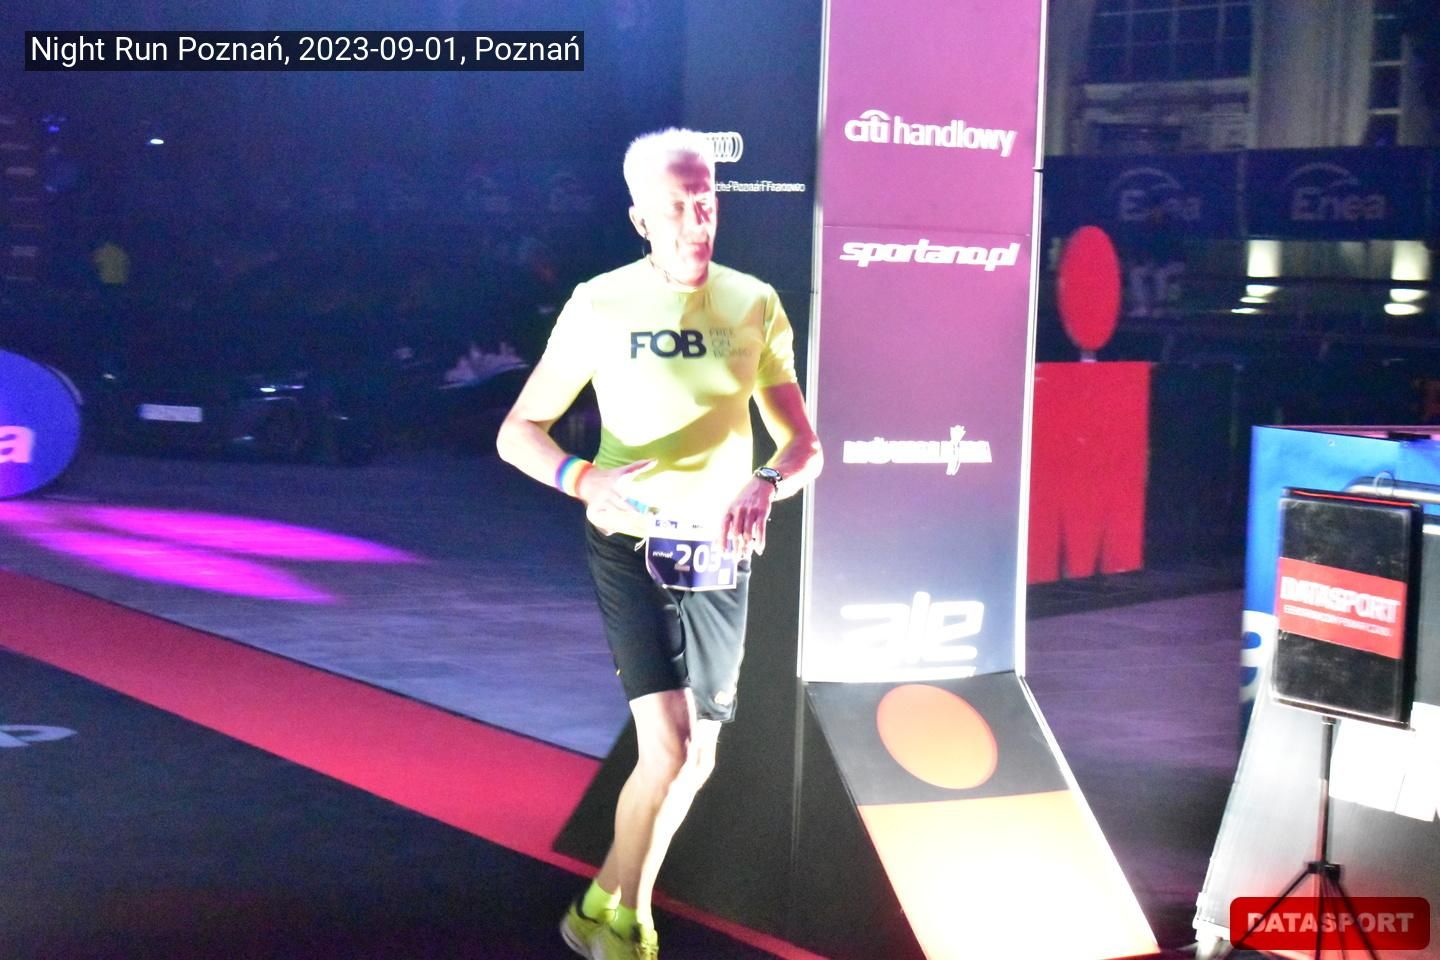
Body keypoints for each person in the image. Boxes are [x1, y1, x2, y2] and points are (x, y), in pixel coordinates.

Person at [496, 128, 822, 960]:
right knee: (669, 744)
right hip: (630, 544)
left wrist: (766, 482)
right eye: (674, 206)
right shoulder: (600, 303)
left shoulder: (753, 302)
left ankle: (597, 903)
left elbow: (803, 445)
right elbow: (517, 431)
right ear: (641, 218)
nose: (694, 219)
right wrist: (584, 480)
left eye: (704, 200)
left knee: (696, 758)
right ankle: (632, 925)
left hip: (719, 551)